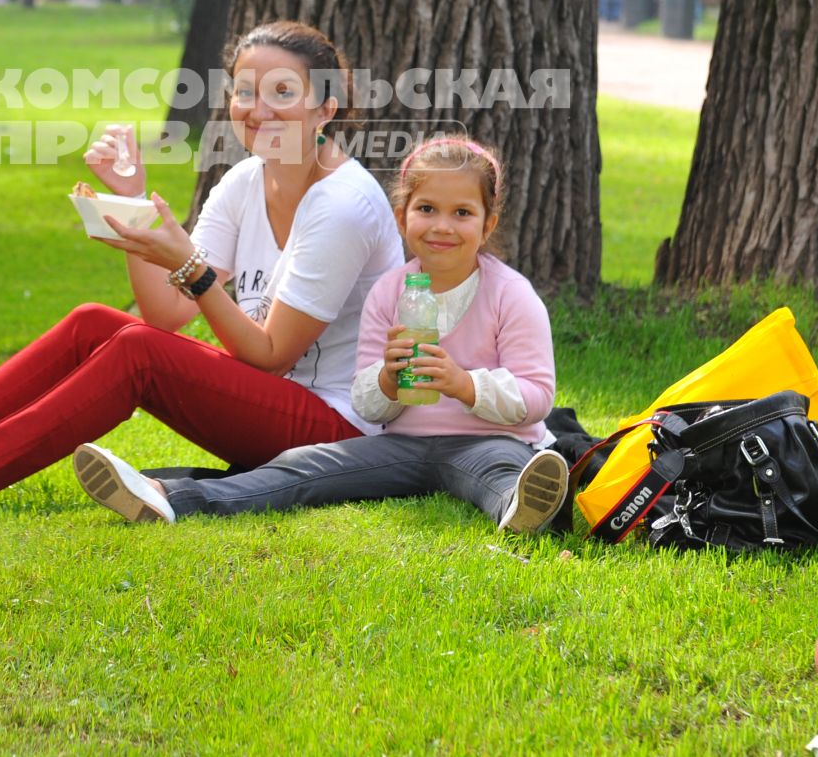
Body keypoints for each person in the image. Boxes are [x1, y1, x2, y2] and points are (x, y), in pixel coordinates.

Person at [0, 21, 406, 515]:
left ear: (325, 108)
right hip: (271, 400)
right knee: (96, 323)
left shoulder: (341, 204)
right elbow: (166, 316)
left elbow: (270, 353)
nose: (257, 109)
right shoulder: (245, 181)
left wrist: (188, 267)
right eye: (245, 91)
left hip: (336, 430)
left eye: (282, 93)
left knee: (137, 356)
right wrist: (134, 206)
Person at [73, 137, 568, 533]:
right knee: (299, 469)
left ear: (488, 225)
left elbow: (537, 396)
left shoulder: (510, 294)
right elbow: (367, 401)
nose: (442, 226)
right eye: (427, 209)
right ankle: (168, 496)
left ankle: (520, 506)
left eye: (462, 213)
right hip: (401, 447)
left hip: (491, 440)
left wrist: (466, 385)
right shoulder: (389, 292)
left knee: (502, 472)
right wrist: (389, 385)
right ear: (402, 217)